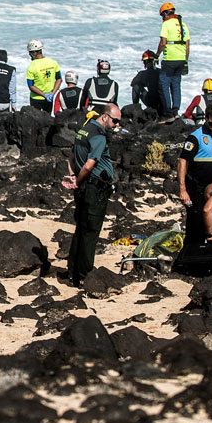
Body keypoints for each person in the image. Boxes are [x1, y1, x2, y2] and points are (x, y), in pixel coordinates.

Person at [62, 103, 121, 287]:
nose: (117, 125)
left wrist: (73, 176)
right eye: (115, 121)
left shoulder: (84, 129)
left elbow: (71, 157)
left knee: (81, 228)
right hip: (94, 188)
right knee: (90, 231)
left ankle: (72, 271)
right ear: (105, 116)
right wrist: (78, 181)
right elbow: (89, 165)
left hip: (84, 186)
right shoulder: (99, 137)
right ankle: (84, 274)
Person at [177, 102, 212, 251]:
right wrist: (182, 189)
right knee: (194, 220)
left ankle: (205, 250)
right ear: (206, 118)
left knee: (208, 217)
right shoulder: (195, 137)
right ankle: (191, 252)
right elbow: (183, 162)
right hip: (194, 186)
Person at [155, 2, 190, 120]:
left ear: (165, 13)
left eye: (162, 15)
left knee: (163, 84)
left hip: (170, 58)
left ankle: (168, 112)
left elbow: (163, 43)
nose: (162, 18)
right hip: (181, 59)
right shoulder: (183, 25)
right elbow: (187, 45)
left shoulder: (166, 24)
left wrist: (157, 55)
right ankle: (176, 111)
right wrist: (185, 60)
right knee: (176, 85)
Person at [25, 40, 62, 112]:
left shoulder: (31, 66)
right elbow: (59, 79)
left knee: (36, 121)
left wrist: (44, 95)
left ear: (34, 52)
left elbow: (31, 86)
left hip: (36, 99)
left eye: (30, 53)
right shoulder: (53, 62)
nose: (29, 55)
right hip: (50, 98)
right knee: (47, 120)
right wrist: (52, 93)